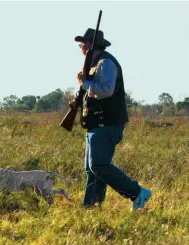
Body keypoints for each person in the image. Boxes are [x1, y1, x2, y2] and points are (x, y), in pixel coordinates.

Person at [74, 28, 151, 210]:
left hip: (106, 123)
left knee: (99, 165)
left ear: (90, 45)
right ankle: (92, 208)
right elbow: (92, 91)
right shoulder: (94, 64)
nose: (80, 48)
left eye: (82, 44)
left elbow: (106, 90)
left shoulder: (106, 62)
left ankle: (137, 193)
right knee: (92, 169)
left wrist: (84, 83)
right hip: (96, 124)